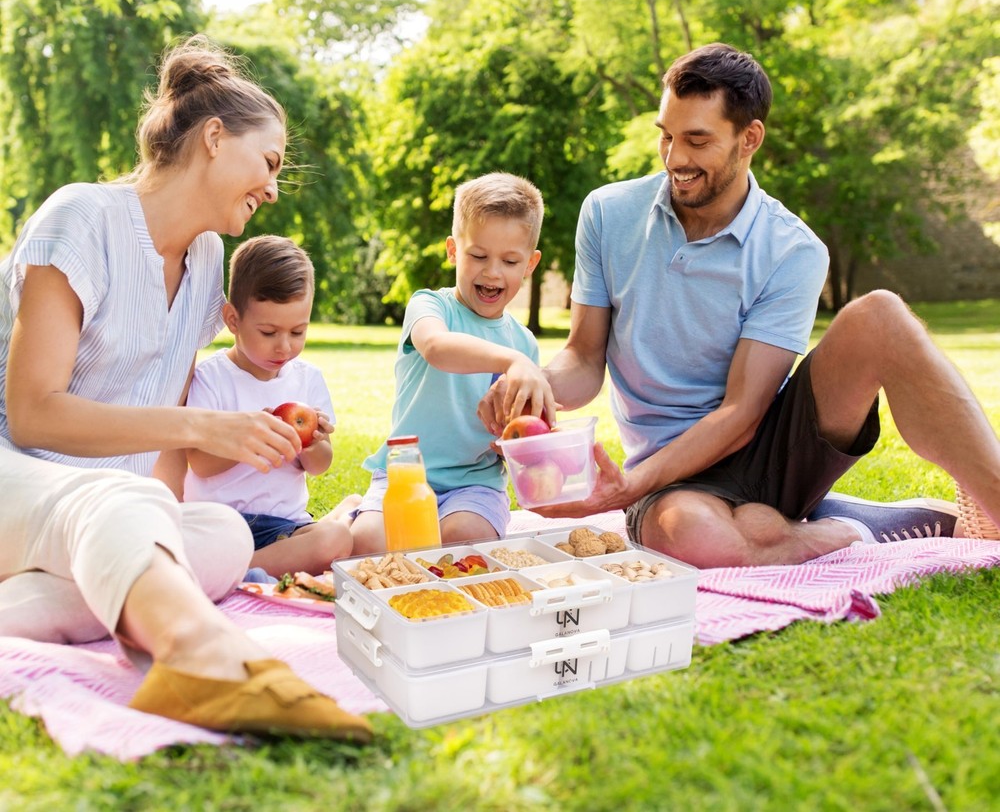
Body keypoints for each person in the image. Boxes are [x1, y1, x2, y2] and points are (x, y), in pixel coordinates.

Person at [480, 43, 1000, 568]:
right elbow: (585, 357)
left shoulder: (793, 249)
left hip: (768, 448)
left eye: (697, 140)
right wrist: (535, 388)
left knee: (882, 316)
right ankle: (850, 528)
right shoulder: (607, 214)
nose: (675, 159)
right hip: (672, 474)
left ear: (749, 138)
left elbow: (742, 413)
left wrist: (626, 486)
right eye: (666, 136)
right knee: (696, 539)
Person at [0, 35, 372, 741]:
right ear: (212, 139)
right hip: (16, 478)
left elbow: (162, 427)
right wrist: (202, 430)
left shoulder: (207, 261)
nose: (271, 186)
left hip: (93, 513)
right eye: (268, 163)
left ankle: (66, 596)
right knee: (119, 503)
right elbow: (33, 413)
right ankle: (200, 656)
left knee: (221, 533)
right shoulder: (81, 217)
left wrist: (158, 510)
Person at [351, 172, 556, 554]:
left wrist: (515, 446)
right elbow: (437, 348)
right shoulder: (430, 306)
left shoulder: (524, 344)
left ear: (530, 264)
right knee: (369, 546)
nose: (492, 272)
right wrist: (512, 361)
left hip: (474, 485)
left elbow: (520, 434)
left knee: (464, 542)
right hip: (405, 473)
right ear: (452, 251)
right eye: (478, 255)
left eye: (510, 261)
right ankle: (357, 513)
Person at [183, 234, 356, 578]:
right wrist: (244, 438)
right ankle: (233, 569)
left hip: (285, 525)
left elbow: (320, 466)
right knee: (335, 538)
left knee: (335, 539)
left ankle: (231, 573)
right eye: (268, 332)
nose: (284, 347)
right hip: (222, 523)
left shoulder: (307, 379)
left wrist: (313, 442)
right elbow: (199, 464)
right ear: (233, 320)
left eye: (298, 332)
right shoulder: (212, 378)